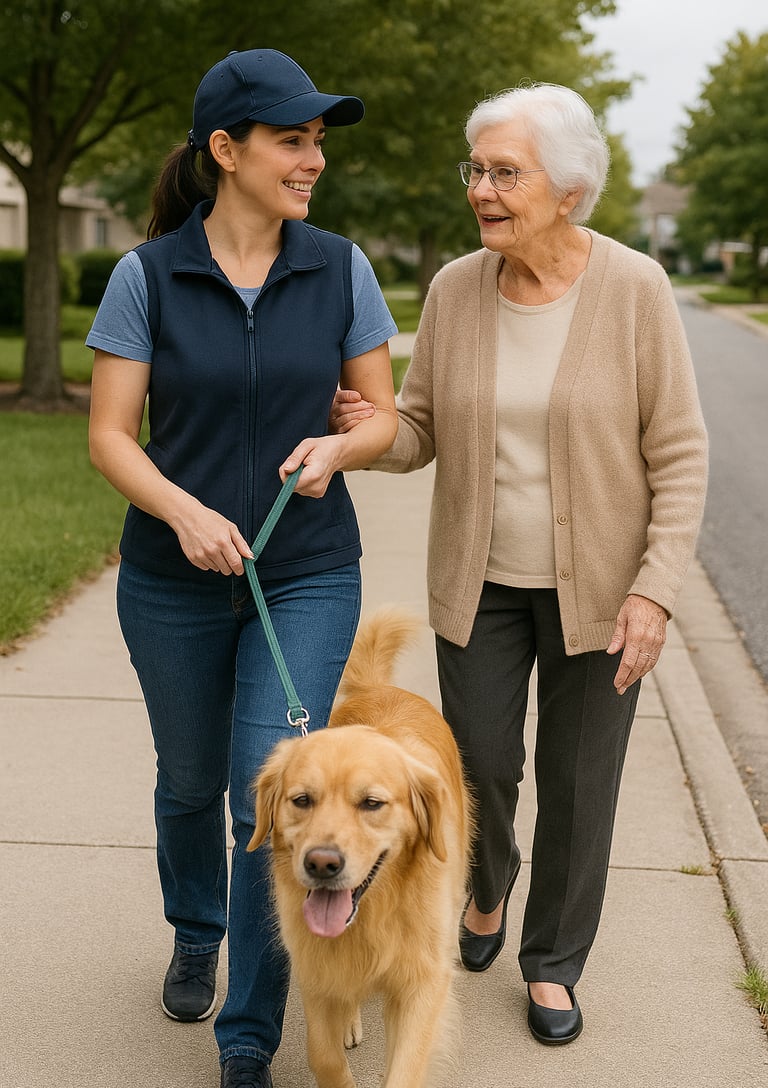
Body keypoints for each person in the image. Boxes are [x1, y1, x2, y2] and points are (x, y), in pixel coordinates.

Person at [331, 83, 708, 1046]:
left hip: (602, 594)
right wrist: (367, 431)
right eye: (477, 171)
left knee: (581, 786)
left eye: (506, 172)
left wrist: (654, 592)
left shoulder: (633, 290)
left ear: (569, 189)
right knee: (483, 770)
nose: (484, 191)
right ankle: (486, 890)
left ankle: (553, 965)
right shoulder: (458, 289)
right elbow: (419, 428)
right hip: (483, 581)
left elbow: (679, 451)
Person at [87, 49, 398, 1088]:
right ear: (226, 151)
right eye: (291, 139)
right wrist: (181, 511)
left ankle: (250, 1038)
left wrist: (340, 447)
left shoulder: (342, 267)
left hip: (305, 569)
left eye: (318, 141)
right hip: (173, 578)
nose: (313, 159)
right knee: (187, 782)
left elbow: (383, 413)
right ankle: (194, 925)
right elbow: (110, 435)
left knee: (275, 797)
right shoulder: (148, 275)